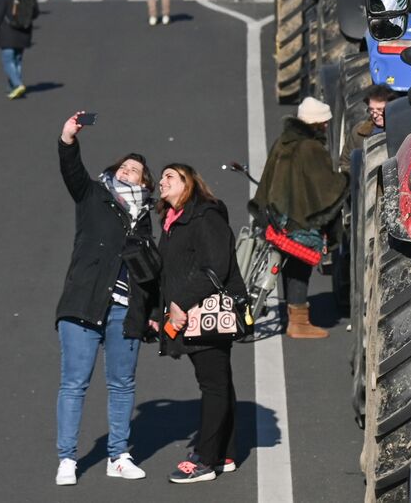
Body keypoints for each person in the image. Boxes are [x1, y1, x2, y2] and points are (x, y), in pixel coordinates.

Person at [55, 113, 157, 486]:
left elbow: (149, 270)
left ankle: (119, 454)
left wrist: (151, 312)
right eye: (126, 168)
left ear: (146, 183)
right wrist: (69, 138)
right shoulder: (93, 194)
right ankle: (67, 458)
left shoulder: (144, 218)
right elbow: (72, 170)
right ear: (115, 171)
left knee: (122, 384)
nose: (131, 172)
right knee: (74, 384)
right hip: (83, 304)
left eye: (138, 171)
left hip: (124, 310)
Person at [155, 164, 244, 483]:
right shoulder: (173, 220)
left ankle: (205, 460)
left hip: (204, 315)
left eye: (170, 176)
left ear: (189, 184)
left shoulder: (205, 216)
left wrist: (179, 305)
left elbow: (215, 267)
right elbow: (171, 272)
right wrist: (159, 313)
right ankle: (227, 453)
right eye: (161, 177)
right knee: (218, 381)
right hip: (191, 315)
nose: (161, 181)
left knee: (213, 385)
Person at [251, 97, 348, 338]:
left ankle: (294, 317)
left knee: (288, 267)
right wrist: (347, 179)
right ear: (316, 124)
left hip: (279, 217)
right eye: (324, 122)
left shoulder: (284, 141)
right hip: (300, 220)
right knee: (300, 267)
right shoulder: (311, 148)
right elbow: (325, 186)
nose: (326, 126)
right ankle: (299, 323)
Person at [0, 0, 38, 98]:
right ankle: (13, 88)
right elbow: (35, 12)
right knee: (17, 60)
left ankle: (18, 84)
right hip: (24, 32)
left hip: (7, 34)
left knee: (8, 61)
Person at [339, 84, 395, 171]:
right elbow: (345, 162)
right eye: (372, 110)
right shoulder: (359, 133)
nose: (375, 115)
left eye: (380, 110)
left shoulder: (402, 132)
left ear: (392, 107)